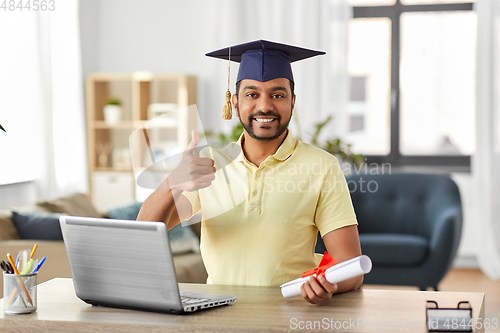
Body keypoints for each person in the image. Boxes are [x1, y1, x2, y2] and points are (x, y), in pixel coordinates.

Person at [138, 40, 363, 304]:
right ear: (234, 103)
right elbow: (144, 232)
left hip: (289, 312)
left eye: (278, 95)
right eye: (252, 94)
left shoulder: (322, 166)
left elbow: (350, 265)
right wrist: (172, 182)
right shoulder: (207, 162)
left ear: (293, 102)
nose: (264, 106)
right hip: (217, 314)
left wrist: (328, 285)